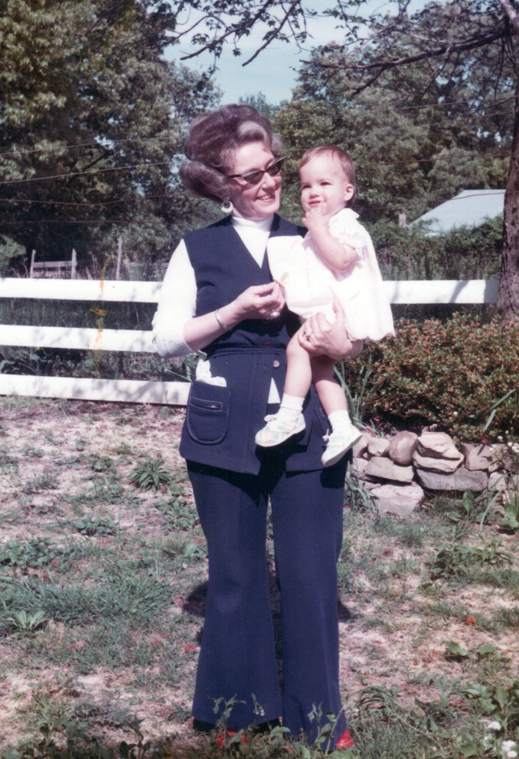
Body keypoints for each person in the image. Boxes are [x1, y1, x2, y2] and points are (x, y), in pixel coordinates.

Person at [152, 105, 359, 749]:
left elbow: (354, 318)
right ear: (222, 183)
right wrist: (235, 310)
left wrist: (342, 342)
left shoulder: (315, 236)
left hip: (306, 426)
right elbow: (165, 340)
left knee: (310, 569)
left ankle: (317, 716)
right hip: (221, 426)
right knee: (236, 571)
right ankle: (232, 709)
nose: (269, 183)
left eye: (272, 168)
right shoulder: (198, 248)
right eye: (250, 176)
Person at [256, 145, 394, 466]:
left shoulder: (344, 224)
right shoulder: (321, 228)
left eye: (324, 184)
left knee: (296, 350)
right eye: (306, 186)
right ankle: (343, 426)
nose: (313, 192)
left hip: (337, 312)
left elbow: (343, 260)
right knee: (321, 372)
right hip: (326, 313)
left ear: (348, 192)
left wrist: (317, 228)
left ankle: (289, 414)